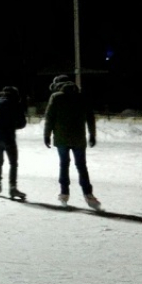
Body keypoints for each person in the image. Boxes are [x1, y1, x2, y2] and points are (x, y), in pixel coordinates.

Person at [43, 74, 101, 209]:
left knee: (64, 165)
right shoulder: (81, 97)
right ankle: (88, 194)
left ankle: (64, 193)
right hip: (78, 138)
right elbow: (90, 117)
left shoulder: (55, 97)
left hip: (61, 138)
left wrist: (47, 135)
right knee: (81, 166)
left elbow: (49, 118)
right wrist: (92, 134)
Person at [0, 86, 27, 199]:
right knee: (13, 163)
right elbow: (22, 123)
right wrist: (12, 126)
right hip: (9, 137)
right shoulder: (15, 104)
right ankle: (12, 188)